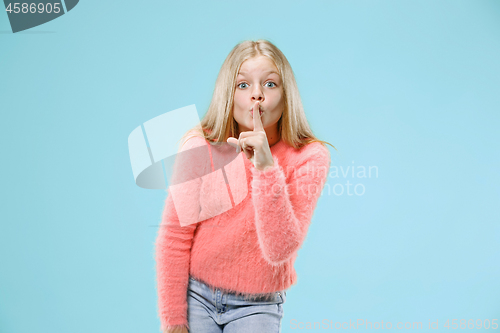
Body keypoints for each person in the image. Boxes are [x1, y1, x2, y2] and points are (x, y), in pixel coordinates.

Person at [155, 39, 335, 333]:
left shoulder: (309, 157)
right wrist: (174, 321)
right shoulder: (201, 145)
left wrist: (265, 167)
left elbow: (280, 250)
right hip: (196, 298)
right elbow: (174, 237)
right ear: (229, 93)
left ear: (286, 94)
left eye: (270, 84)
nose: (256, 96)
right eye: (243, 85)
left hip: (258, 305)